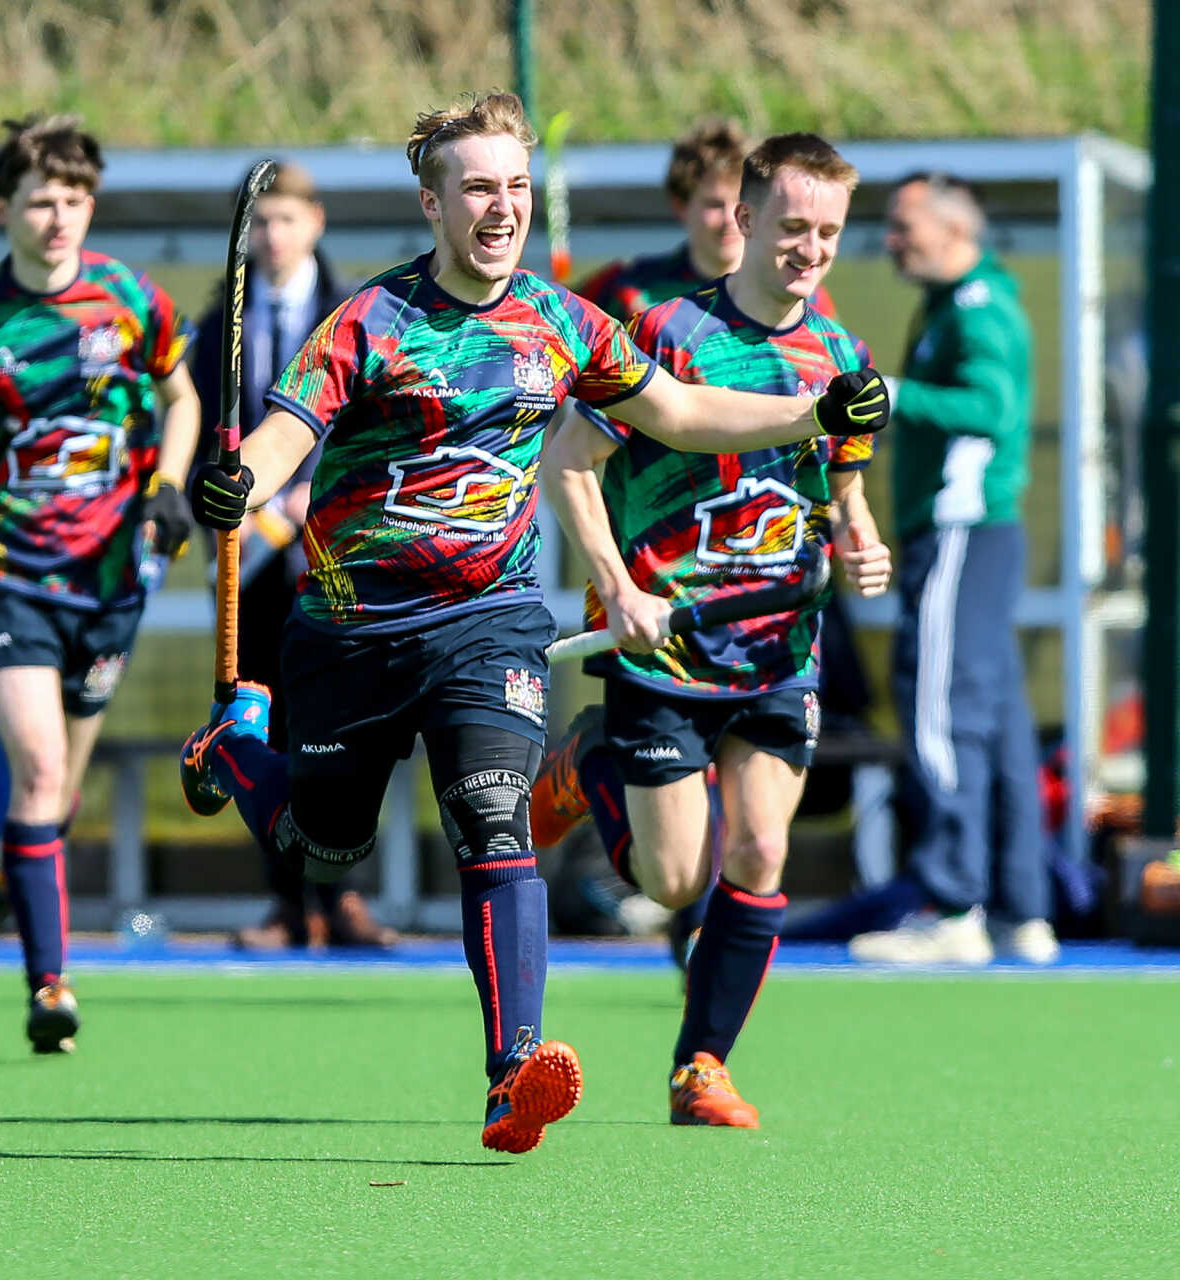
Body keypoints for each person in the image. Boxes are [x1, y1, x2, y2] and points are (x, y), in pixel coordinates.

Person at [177, 91, 887, 1153]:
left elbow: (680, 411)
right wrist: (242, 481)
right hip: (353, 627)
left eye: (515, 185)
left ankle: (514, 1072)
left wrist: (812, 413)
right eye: (478, 188)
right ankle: (236, 745)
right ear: (433, 203)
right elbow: (288, 431)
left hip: (491, 619)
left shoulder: (563, 322)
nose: (501, 207)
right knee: (324, 842)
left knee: (495, 821)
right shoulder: (370, 320)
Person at [530, 133, 892, 1128]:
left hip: (780, 648)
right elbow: (567, 462)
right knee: (673, 877)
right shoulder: (669, 334)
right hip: (666, 648)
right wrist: (616, 588)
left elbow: (842, 482)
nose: (809, 249)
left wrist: (859, 539)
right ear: (745, 218)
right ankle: (588, 760)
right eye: (792, 227)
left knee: (763, 850)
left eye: (828, 232)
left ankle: (702, 1067)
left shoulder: (841, 354)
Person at [0, 115, 200, 1051]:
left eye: (74, 199)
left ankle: (8, 873)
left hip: (111, 586)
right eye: (38, 202)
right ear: (2, 210)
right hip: (4, 579)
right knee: (42, 767)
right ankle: (50, 986)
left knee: (58, 795)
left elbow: (182, 396)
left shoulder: (133, 301)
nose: (58, 218)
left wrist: (169, 485)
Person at [848, 172, 1059, 967]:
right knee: (996, 719)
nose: (892, 242)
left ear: (954, 230)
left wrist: (891, 394)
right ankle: (1019, 910)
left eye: (904, 227)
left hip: (961, 532)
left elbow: (991, 409)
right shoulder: (955, 305)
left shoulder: (977, 308)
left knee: (938, 706)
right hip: (975, 535)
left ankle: (952, 902)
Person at [186, 161, 393, 952]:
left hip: (337, 552)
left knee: (340, 721)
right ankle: (285, 903)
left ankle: (344, 895)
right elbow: (204, 437)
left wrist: (317, 497)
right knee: (257, 719)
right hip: (250, 563)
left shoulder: (358, 313)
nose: (273, 237)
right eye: (261, 223)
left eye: (286, 220)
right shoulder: (219, 327)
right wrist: (215, 507)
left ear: (316, 223)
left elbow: (377, 427)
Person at [578, 118, 837, 324]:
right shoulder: (626, 289)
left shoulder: (801, 295)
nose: (731, 219)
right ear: (681, 206)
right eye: (714, 204)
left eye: (742, 203)